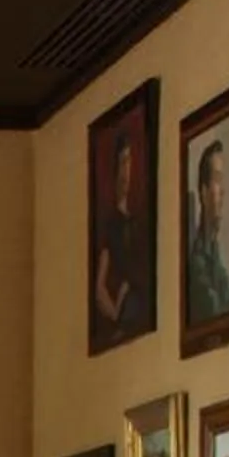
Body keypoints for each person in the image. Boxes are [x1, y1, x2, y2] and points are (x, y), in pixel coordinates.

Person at [93, 125, 152, 338]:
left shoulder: (139, 221)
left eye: (130, 162)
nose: (126, 171)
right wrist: (117, 313)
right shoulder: (112, 224)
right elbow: (99, 288)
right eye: (122, 162)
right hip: (126, 309)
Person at [188, 136, 229, 320]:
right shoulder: (197, 263)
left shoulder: (216, 258)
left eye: (222, 180)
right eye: (217, 179)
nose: (222, 190)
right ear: (203, 191)